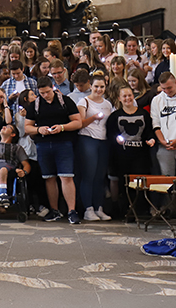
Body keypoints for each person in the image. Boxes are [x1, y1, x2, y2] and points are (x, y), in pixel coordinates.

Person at [24, 76, 83, 224]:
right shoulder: (35, 105)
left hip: (63, 142)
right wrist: (39, 129)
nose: (45, 95)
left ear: (53, 88)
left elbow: (77, 122)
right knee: (49, 178)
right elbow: (27, 127)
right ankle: (54, 210)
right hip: (43, 144)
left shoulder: (65, 101)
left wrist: (62, 127)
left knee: (66, 176)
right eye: (42, 93)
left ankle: (71, 210)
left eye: (48, 92)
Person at [107, 85, 155, 218]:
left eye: (129, 95)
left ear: (133, 96)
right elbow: (111, 135)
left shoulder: (143, 114)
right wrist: (116, 139)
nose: (127, 98)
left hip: (140, 156)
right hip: (122, 156)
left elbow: (149, 132)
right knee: (125, 184)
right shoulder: (115, 116)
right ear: (119, 98)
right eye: (124, 96)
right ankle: (126, 210)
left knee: (139, 183)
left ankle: (141, 210)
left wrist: (151, 139)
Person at [76, 74, 113, 221]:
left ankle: (99, 208)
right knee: (89, 175)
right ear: (90, 86)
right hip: (87, 139)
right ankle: (87, 209)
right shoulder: (83, 101)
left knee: (100, 176)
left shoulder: (107, 104)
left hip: (102, 141)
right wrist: (94, 118)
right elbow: (80, 123)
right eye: (96, 86)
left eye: (102, 87)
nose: (99, 89)